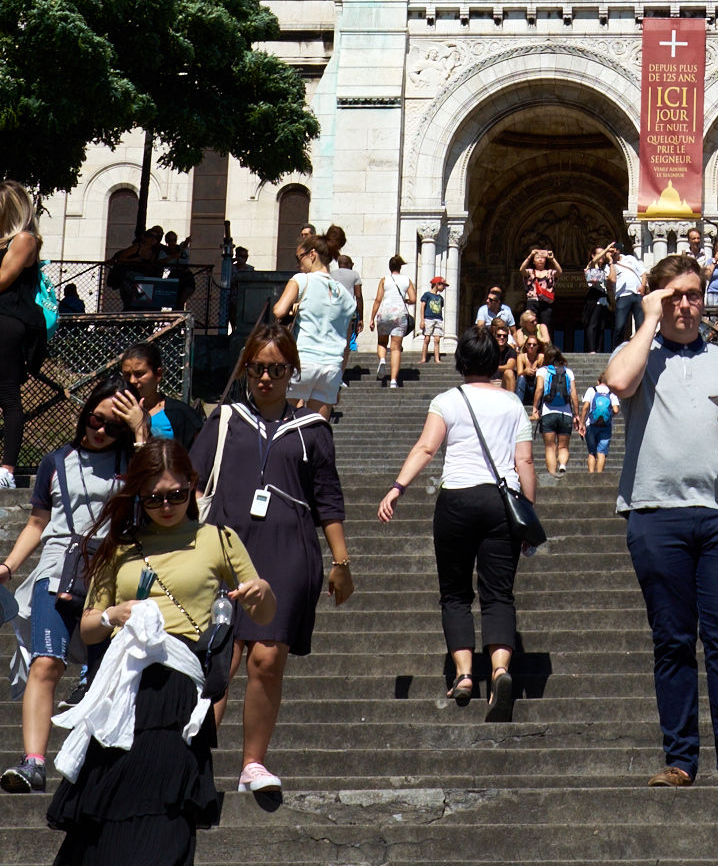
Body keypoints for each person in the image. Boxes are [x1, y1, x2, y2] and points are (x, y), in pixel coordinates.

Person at [47, 437, 276, 860]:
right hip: (122, 689)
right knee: (105, 813)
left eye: (177, 494)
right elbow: (88, 628)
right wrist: (114, 615)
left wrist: (260, 591)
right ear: (137, 495)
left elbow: (262, 614)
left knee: (166, 809)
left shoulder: (218, 539)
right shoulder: (120, 546)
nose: (167, 506)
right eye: (153, 498)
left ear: (193, 486)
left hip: (176, 688)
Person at [607, 255, 718, 789]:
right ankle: (680, 760)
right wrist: (647, 319)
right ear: (656, 297)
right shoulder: (639, 355)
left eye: (694, 293)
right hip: (655, 513)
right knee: (673, 640)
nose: (685, 303)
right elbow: (618, 383)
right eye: (673, 294)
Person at [188, 327, 350, 798]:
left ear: (291, 373)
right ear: (246, 369)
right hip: (224, 547)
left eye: (276, 369)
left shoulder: (314, 430)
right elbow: (192, 480)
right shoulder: (225, 419)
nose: (265, 377)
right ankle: (190, 763)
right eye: (257, 367)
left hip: (287, 549)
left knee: (267, 656)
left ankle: (253, 764)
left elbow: (329, 500)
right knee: (220, 655)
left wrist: (341, 561)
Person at [379, 322, 537, 720]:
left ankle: (465, 675)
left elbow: (427, 447)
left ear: (460, 360)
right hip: (502, 502)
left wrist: (398, 487)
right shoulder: (513, 403)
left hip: (457, 500)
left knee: (454, 592)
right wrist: (527, 514)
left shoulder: (447, 400)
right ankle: (500, 669)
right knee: (499, 593)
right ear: (497, 360)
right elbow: (525, 462)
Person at [0, 372, 142, 795]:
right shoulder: (55, 461)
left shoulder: (133, 461)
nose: (99, 431)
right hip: (55, 572)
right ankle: (34, 761)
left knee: (107, 672)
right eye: (95, 420)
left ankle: (99, 768)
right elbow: (38, 522)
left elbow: (160, 486)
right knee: (46, 661)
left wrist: (139, 432)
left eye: (113, 426)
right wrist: (8, 566)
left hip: (111, 578)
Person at [271, 234, 356, 420]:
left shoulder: (302, 280)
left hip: (302, 360)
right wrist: (340, 372)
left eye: (299, 258)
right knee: (318, 429)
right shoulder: (345, 296)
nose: (298, 264)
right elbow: (348, 340)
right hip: (331, 367)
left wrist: (293, 310)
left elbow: (278, 310)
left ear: (312, 255)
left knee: (282, 423)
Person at [0, 181, 47, 492]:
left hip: (7, 323)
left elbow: (2, 280)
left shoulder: (24, 240)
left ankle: (6, 468)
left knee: (8, 398)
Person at [118, 344, 204, 453]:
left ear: (158, 374)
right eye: (126, 375)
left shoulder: (179, 413)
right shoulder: (116, 411)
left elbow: (200, 455)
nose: (132, 381)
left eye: (139, 374)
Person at [369, 255, 414, 392]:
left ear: (389, 267)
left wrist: (372, 318)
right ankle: (393, 381)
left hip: (384, 313)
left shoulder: (384, 280)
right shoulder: (407, 280)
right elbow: (413, 299)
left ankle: (382, 359)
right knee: (395, 348)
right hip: (399, 315)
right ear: (400, 267)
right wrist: (404, 301)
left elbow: (378, 300)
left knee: (382, 342)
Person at [323, 228, 362, 371]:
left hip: (333, 310)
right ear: (350, 264)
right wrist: (361, 316)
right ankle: (341, 369)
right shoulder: (354, 274)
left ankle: (332, 366)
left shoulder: (331, 274)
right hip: (349, 311)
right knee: (346, 340)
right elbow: (358, 296)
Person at [534, 350, 575, 473]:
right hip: (566, 414)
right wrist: (576, 414)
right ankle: (562, 464)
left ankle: (551, 474)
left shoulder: (542, 371)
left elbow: (540, 388)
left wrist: (535, 407)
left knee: (550, 447)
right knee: (563, 446)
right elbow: (573, 393)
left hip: (548, 412)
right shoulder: (568, 372)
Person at [519, 246, 560, 344]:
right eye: (537, 258)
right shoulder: (530, 272)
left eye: (542, 258)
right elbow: (521, 269)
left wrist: (552, 258)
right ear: (533, 261)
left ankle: (546, 345)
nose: (540, 259)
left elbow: (559, 272)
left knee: (546, 324)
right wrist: (530, 255)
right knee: (529, 323)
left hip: (545, 302)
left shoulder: (550, 272)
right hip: (532, 301)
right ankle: (529, 343)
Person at [609, 249, 646, 347]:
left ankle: (640, 348)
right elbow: (612, 279)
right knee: (619, 326)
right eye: (610, 251)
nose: (613, 252)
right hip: (622, 296)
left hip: (637, 295)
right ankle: (616, 350)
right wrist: (611, 262)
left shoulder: (630, 258)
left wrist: (643, 286)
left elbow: (643, 273)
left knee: (641, 325)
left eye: (614, 250)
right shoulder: (608, 266)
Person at [579, 378, 615, 475]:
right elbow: (616, 410)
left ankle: (591, 475)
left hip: (591, 424)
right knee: (602, 452)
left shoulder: (592, 390)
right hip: (606, 426)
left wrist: (581, 422)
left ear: (598, 381)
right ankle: (599, 476)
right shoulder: (612, 392)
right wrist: (608, 416)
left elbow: (585, 407)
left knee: (591, 452)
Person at [583, 248, 613, 348]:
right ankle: (591, 349)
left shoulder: (604, 269)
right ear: (593, 255)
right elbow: (594, 261)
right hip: (594, 296)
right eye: (600, 254)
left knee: (601, 326)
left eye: (603, 254)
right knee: (593, 323)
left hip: (603, 297)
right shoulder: (591, 266)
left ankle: (599, 349)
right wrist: (608, 248)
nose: (602, 256)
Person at [420, 275, 447, 364]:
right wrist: (422, 320)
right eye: (443, 285)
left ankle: (437, 359)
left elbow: (440, 307)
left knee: (437, 339)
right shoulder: (427, 295)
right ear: (437, 284)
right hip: (428, 318)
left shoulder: (440, 298)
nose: (444, 287)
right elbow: (422, 306)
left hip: (438, 319)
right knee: (427, 338)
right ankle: (423, 358)